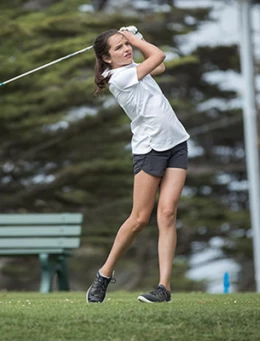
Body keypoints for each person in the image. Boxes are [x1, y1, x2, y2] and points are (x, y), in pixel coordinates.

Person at [86, 28, 190, 304]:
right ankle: (104, 274)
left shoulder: (131, 67)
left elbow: (161, 65)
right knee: (139, 219)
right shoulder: (118, 77)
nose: (126, 50)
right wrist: (135, 39)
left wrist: (136, 39)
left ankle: (163, 288)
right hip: (150, 150)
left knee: (167, 213)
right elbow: (160, 54)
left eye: (126, 45)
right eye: (119, 48)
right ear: (106, 59)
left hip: (176, 142)